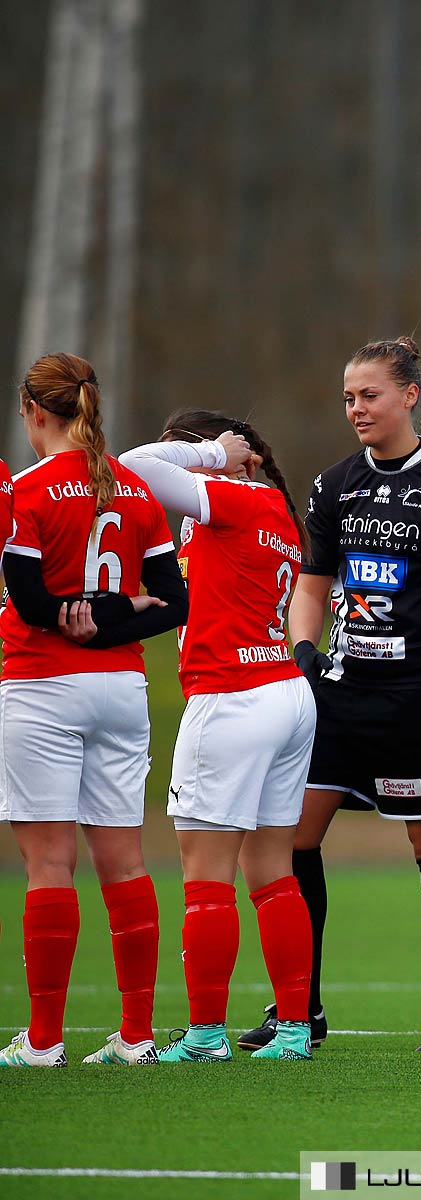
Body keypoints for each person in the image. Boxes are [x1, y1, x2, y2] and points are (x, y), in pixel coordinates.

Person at [239, 338, 421, 1055]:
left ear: (409, 395)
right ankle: (300, 1011)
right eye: (348, 397)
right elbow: (311, 586)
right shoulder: (335, 484)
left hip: (418, 698)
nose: (355, 409)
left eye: (368, 395)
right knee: (294, 835)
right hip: (340, 696)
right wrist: (305, 653)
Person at [114, 413, 320, 1063]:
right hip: (283, 691)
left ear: (241, 456)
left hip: (231, 697)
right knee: (273, 873)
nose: (187, 464)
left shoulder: (230, 497)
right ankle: (291, 1030)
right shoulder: (278, 513)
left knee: (206, 878)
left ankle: (204, 1036)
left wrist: (207, 452)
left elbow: (128, 466)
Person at [0, 352, 187, 1067]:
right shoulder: (134, 489)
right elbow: (176, 602)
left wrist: (72, 618)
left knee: (49, 864)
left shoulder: (30, 489)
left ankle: (44, 1041)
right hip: (121, 691)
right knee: (126, 861)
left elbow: (31, 603)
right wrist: (107, 624)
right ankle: (135, 1036)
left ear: (34, 412)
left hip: (43, 686)